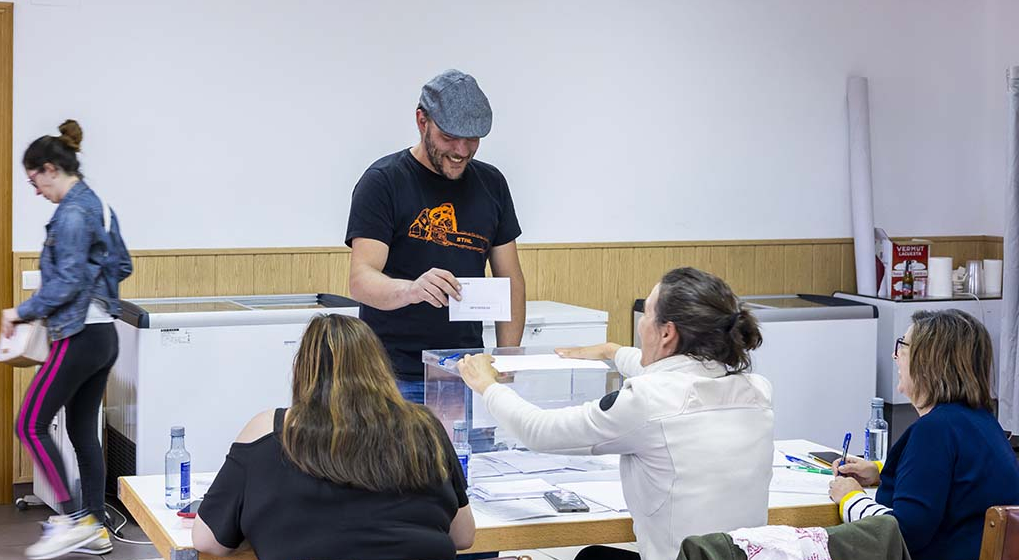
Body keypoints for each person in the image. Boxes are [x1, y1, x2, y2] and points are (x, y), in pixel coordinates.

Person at [458, 267, 774, 560]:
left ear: (666, 333)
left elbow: (539, 431)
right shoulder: (757, 390)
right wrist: (612, 352)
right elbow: (677, 375)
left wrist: (487, 385)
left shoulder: (648, 401)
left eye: (648, 313)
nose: (641, 323)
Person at [192, 314, 475, 560]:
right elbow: (463, 536)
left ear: (301, 370)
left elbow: (207, 541)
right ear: (380, 367)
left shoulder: (269, 430)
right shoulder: (425, 427)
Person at [346, 69, 526, 404]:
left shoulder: (492, 184)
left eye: (472, 139)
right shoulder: (383, 182)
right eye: (449, 137)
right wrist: (411, 290)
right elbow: (361, 280)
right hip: (387, 377)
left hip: (464, 374)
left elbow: (510, 278)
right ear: (421, 121)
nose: (461, 150)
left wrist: (507, 358)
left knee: (464, 459)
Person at [1, 120, 132, 560]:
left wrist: (18, 313)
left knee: (29, 423)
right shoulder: (98, 205)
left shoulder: (73, 214)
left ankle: (75, 522)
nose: (34, 190)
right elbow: (123, 265)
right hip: (103, 335)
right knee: (80, 429)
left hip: (79, 335)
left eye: (33, 179)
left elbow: (67, 284)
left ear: (50, 169)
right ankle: (94, 527)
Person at [828, 309, 1019, 560]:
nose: (895, 356)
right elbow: (953, 483)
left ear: (929, 361)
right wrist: (880, 471)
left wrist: (850, 497)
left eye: (903, 346)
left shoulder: (935, 430)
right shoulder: (981, 422)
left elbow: (901, 533)